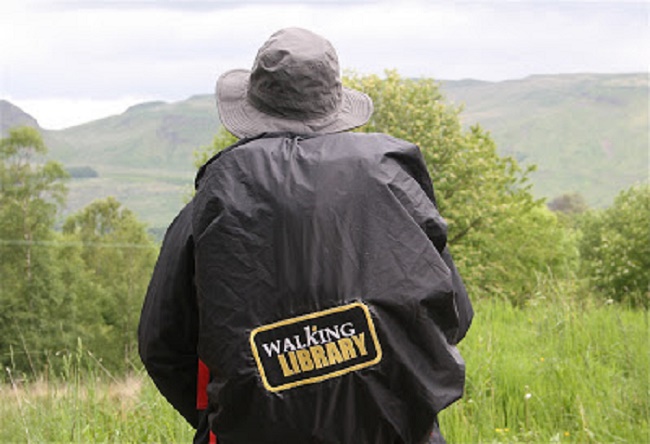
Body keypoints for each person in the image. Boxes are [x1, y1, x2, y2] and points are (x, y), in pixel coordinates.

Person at [139, 27, 473, 444]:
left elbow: (162, 345)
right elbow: (455, 313)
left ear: (254, 108)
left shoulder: (210, 204)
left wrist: (238, 413)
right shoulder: (392, 188)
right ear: (332, 108)